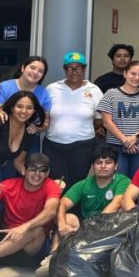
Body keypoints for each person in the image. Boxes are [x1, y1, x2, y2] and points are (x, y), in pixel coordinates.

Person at [35, 145, 130, 277]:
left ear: (115, 166)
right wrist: (62, 224)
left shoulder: (123, 180)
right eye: (98, 163)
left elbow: (117, 203)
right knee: (69, 218)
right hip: (87, 229)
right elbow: (62, 204)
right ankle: (53, 257)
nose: (103, 166)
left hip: (111, 228)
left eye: (108, 162)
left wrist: (93, 227)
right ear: (92, 166)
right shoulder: (84, 184)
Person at [44, 52, 103, 188]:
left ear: (84, 69)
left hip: (83, 148)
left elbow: (100, 119)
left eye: (78, 68)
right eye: (69, 68)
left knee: (77, 185)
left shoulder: (94, 90)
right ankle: (59, 210)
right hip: (54, 147)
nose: (74, 72)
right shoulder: (52, 88)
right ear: (64, 69)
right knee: (58, 185)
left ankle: (74, 210)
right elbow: (43, 115)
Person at [97, 60, 139, 178]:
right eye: (133, 73)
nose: (136, 77)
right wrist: (125, 140)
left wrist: (135, 138)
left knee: (137, 181)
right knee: (118, 181)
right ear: (125, 73)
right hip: (115, 146)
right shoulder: (111, 94)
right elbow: (107, 122)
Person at [0, 56, 52, 150]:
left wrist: (37, 128)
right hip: (3, 135)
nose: (35, 72)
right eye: (32, 68)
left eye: (41, 71)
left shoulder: (44, 93)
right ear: (23, 68)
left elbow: (46, 123)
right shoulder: (4, 86)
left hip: (29, 138)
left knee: (30, 164)